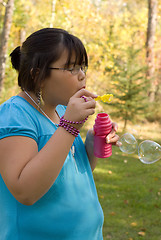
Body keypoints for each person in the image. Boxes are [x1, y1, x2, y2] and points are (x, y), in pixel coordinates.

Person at [0, 28, 119, 240]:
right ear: (38, 75)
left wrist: (92, 143)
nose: (82, 75)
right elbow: (25, 191)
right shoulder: (15, 115)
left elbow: (67, 173)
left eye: (82, 66)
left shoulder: (61, 110)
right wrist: (69, 127)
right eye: (71, 68)